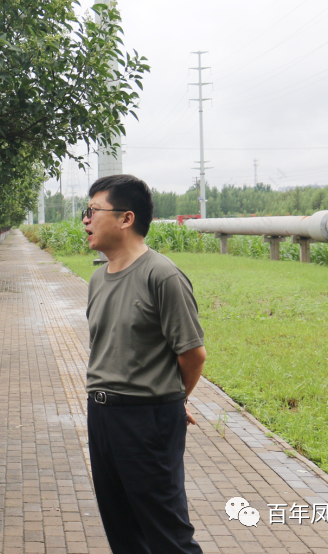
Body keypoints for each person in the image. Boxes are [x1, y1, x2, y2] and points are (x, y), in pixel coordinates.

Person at [82, 174, 207, 554]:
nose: (85, 220)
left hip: (147, 419)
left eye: (92, 211)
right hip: (102, 415)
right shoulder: (97, 278)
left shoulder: (162, 275)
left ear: (126, 219)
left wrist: (172, 400)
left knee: (166, 533)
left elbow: (192, 354)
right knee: (122, 530)